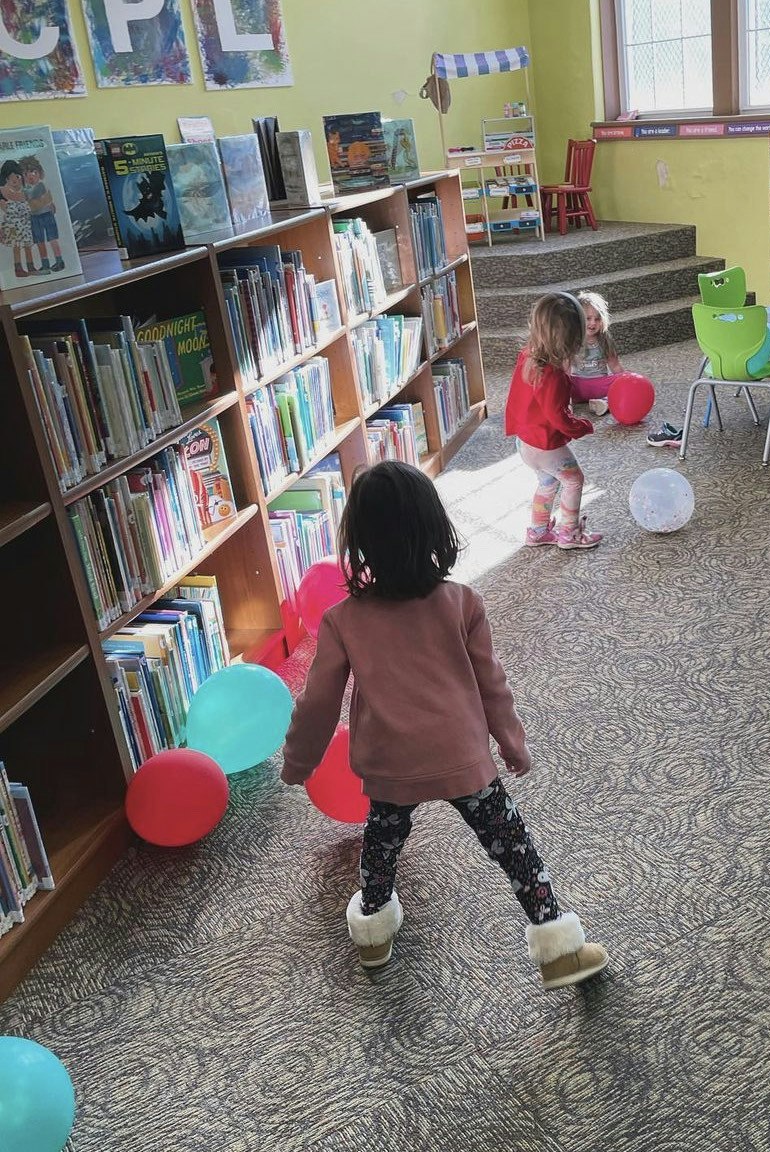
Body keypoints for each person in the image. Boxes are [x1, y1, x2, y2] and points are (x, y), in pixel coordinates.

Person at [280, 460, 609, 990]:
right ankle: (558, 949)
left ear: (360, 541)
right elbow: (491, 684)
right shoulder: (461, 602)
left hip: (391, 765)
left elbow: (317, 702)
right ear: (435, 528)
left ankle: (374, 937)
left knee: (382, 847)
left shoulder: (343, 620)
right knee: (514, 848)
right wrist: (511, 741)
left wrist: (299, 763)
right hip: (462, 757)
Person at [505, 291, 602, 550]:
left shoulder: (528, 356)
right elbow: (558, 417)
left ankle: (537, 532)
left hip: (524, 441)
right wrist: (583, 426)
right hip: (545, 445)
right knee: (574, 480)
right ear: (574, 337)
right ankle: (568, 534)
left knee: (547, 482)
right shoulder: (554, 376)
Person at [570, 290, 624, 417]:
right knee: (559, 381)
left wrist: (626, 382)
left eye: (597, 319)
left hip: (601, 384)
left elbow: (615, 366)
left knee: (627, 379)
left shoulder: (605, 340)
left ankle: (603, 403)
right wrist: (567, 403)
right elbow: (565, 371)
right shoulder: (572, 340)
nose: (593, 323)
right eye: (588, 318)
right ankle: (566, 404)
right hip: (577, 386)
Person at [20, 155, 65, 274]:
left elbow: (33, 198)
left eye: (33, 172)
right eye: (26, 174)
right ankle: (45, 264)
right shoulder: (26, 189)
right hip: (34, 217)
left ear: (39, 173)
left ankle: (59, 261)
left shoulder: (40, 186)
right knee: (40, 241)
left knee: (52, 239)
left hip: (46, 215)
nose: (30, 176)